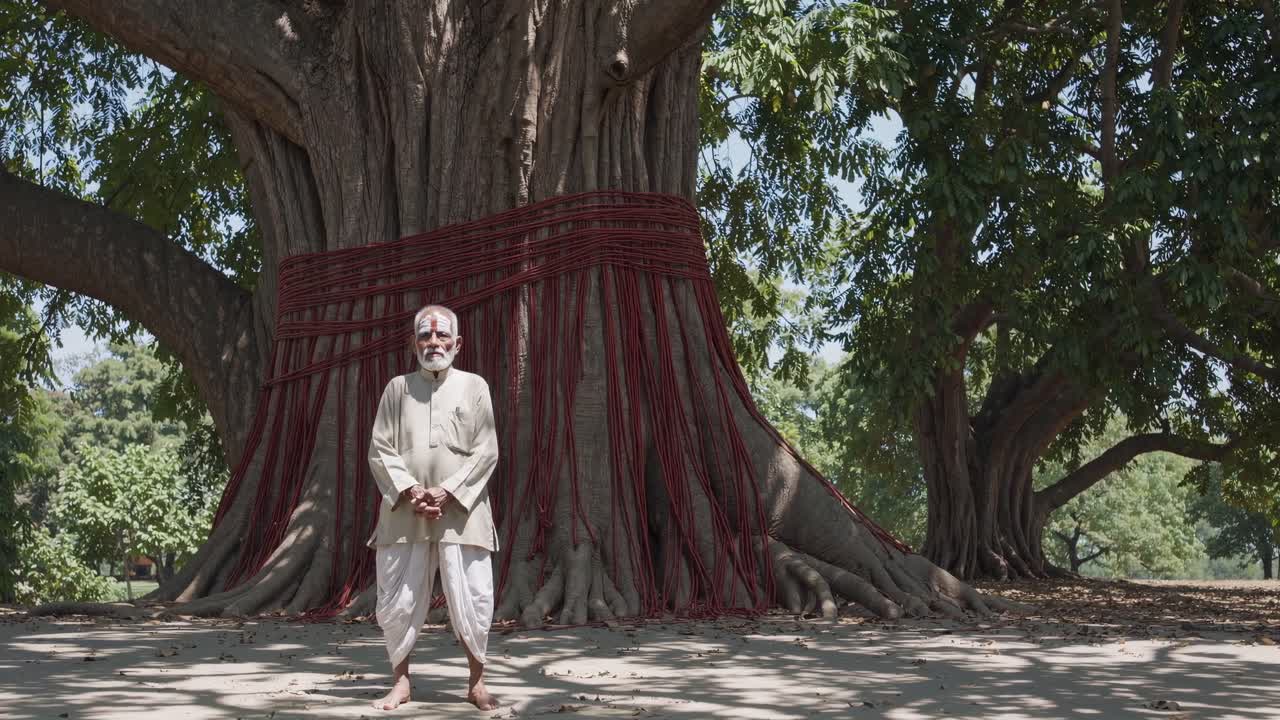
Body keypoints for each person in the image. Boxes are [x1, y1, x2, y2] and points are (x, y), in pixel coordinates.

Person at [367, 304, 500, 711]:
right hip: (404, 512)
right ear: (413, 343)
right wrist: (410, 491)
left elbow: (487, 450)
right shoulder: (396, 388)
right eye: (425, 336)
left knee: (475, 598)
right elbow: (379, 448)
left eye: (442, 336)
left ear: (458, 344)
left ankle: (477, 684)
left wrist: (448, 491)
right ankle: (401, 682)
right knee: (397, 602)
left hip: (462, 511)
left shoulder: (475, 386)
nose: (434, 343)